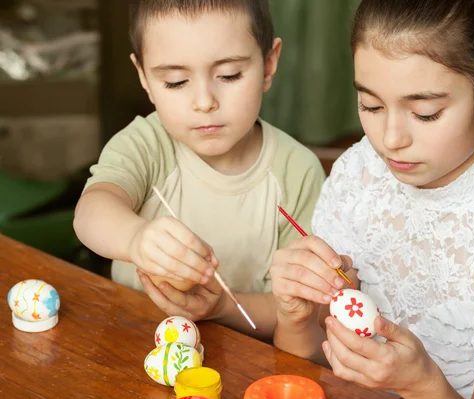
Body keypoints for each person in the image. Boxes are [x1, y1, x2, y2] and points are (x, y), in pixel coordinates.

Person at [270, 0, 474, 399]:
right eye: (371, 106)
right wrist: (296, 315)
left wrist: (423, 385)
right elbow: (304, 358)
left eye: (425, 112)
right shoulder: (359, 171)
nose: (390, 139)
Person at [74, 0, 325, 339]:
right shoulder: (147, 144)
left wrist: (221, 307)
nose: (205, 102)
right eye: (176, 81)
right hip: (134, 341)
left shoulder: (297, 171)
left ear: (268, 65)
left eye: (229, 75)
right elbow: (90, 212)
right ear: (144, 77)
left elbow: (298, 311)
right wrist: (136, 239)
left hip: (242, 361)